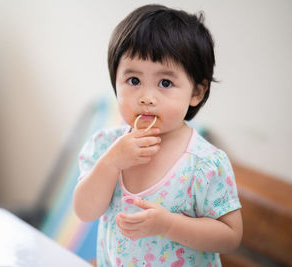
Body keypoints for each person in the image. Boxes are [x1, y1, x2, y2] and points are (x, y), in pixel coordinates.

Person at [73, 4, 242, 267]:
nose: (146, 98)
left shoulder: (205, 164)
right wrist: (111, 162)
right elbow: (85, 211)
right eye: (133, 80)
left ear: (196, 92)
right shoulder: (104, 146)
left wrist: (168, 224)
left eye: (165, 83)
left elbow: (230, 237)